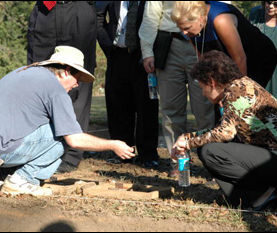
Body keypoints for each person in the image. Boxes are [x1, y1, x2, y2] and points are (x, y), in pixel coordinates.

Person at [0, 46, 135, 196]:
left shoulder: (21, 71)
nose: (77, 84)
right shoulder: (55, 90)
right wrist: (113, 145)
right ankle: (22, 180)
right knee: (62, 135)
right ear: (66, 71)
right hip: (0, 150)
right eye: (77, 77)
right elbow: (75, 139)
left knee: (36, 127)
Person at [172, 50, 277, 210]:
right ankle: (247, 198)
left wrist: (189, 140)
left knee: (210, 151)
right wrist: (188, 138)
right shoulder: (241, 85)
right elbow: (224, 131)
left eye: (202, 87)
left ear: (212, 82)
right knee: (209, 148)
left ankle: (263, 194)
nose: (203, 94)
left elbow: (224, 133)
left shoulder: (236, 93)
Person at [139, 1, 215, 177]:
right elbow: (151, 16)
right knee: (171, 108)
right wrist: (148, 52)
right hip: (169, 43)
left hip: (201, 41)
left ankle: (212, 162)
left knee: (204, 109)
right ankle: (178, 162)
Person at [27, 1, 97, 173]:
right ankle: (36, 147)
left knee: (76, 80)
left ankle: (71, 155)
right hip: (46, 10)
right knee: (37, 75)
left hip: (78, 11)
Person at [96, 1, 160, 168]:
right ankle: (122, 152)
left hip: (145, 57)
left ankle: (148, 155)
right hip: (117, 55)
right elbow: (97, 17)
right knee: (117, 105)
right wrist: (108, 47)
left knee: (147, 106)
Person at [171, 1, 277, 89]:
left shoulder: (221, 20)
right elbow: (203, 58)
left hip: (257, 58)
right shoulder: (189, 28)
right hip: (229, 59)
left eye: (186, 28)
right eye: (181, 29)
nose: (184, 33)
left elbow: (239, 58)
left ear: (200, 19)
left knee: (244, 103)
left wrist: (238, 93)